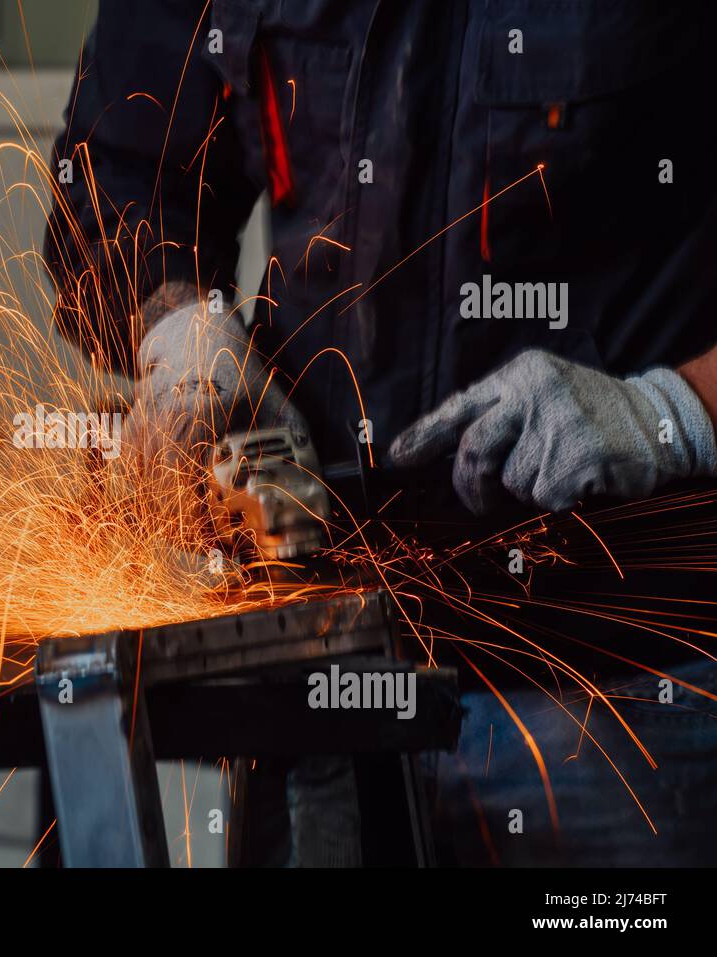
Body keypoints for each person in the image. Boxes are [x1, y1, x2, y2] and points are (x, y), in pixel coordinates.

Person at [43, 0, 717, 865]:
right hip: (320, 675)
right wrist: (179, 331)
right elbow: (121, 165)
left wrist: (675, 412)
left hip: (628, 692)